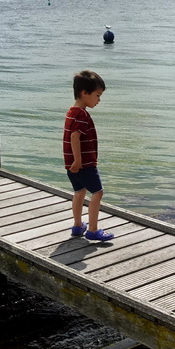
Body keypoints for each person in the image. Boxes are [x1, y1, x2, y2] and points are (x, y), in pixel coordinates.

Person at [63, 70, 115, 241]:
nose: (99, 100)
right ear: (84, 93)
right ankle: (93, 229)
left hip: (71, 164)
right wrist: (79, 160)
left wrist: (74, 161)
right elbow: (74, 136)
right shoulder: (82, 115)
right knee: (98, 193)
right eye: (97, 95)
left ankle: (78, 226)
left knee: (79, 192)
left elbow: (72, 136)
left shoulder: (71, 112)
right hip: (83, 164)